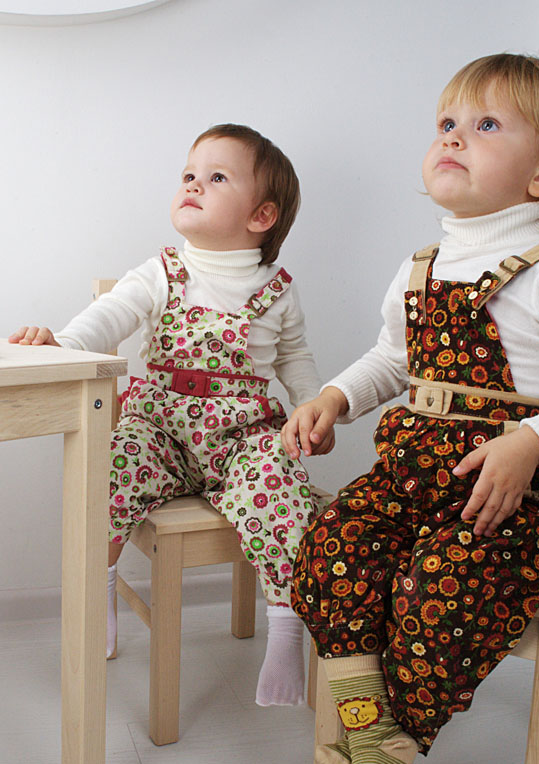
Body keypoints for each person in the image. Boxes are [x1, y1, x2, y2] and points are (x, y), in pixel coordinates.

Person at [282, 54, 539, 764]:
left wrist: (534, 443)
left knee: (438, 591)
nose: (452, 137)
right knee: (331, 547)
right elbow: (392, 359)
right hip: (409, 476)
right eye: (446, 123)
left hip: (505, 496)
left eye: (484, 125)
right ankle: (374, 736)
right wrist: (336, 397)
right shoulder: (421, 267)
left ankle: (392, 743)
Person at [10, 123, 326, 707]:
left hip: (243, 435)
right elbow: (108, 317)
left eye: (216, 177)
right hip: (160, 428)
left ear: (261, 215)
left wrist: (313, 408)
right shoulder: (161, 271)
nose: (193, 184)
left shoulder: (277, 289)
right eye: (189, 174)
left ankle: (285, 627)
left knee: (283, 489)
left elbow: (294, 357)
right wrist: (64, 344)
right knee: (110, 470)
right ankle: (99, 592)